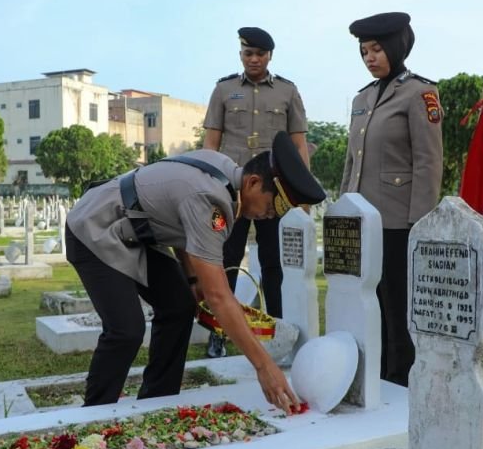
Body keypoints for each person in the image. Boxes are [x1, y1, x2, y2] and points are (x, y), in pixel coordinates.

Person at [65, 131, 325, 414]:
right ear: (253, 182)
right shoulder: (212, 201)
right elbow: (218, 295)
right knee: (127, 329)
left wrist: (192, 279)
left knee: (180, 305)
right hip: (93, 227)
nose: (271, 216)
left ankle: (157, 402)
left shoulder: (221, 168)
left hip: (133, 230)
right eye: (274, 207)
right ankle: (93, 414)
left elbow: (179, 226)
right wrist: (265, 366)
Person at [340, 12, 444, 388]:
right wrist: (343, 209)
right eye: (364, 51)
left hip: (400, 220)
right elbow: (352, 162)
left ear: (397, 47)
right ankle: (376, 373)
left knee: (398, 304)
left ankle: (401, 378)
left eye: (377, 49)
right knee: (368, 302)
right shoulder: (361, 98)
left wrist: (421, 219)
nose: (370, 58)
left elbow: (429, 161)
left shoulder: (420, 92)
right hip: (363, 220)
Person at [201, 26, 311, 358]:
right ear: (241, 55)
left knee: (273, 262)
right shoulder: (223, 90)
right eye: (248, 53)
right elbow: (211, 142)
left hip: (272, 193)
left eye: (260, 54)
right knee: (223, 260)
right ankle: (217, 332)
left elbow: (299, 143)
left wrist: (302, 195)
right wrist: (209, 185)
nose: (254, 59)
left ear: (269, 56)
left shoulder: (287, 91)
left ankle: (275, 328)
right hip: (229, 193)